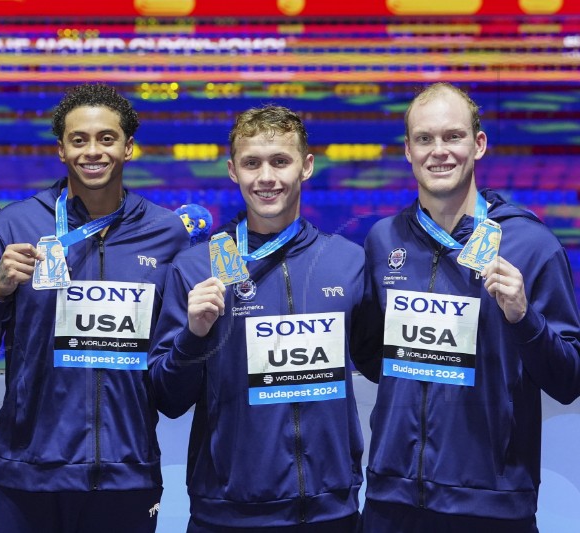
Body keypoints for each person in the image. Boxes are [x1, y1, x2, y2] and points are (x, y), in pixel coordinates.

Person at [0, 83, 189, 533]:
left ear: (129, 147)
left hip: (127, 474)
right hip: (25, 474)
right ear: (61, 149)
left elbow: (168, 370)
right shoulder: (14, 225)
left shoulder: (166, 233)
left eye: (106, 138)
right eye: (78, 140)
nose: (92, 151)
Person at [358, 82, 580, 532]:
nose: (438, 151)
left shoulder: (531, 245)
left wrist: (523, 318)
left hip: (491, 505)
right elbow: (373, 358)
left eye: (452, 136)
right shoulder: (384, 241)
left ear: (478, 144)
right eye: (424, 139)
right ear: (407, 150)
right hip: (392, 499)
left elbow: (569, 380)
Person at [149, 104, 374, 532]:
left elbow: (382, 366)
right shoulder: (197, 268)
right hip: (227, 513)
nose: (266, 178)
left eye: (280, 161)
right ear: (233, 170)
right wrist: (193, 336)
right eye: (252, 163)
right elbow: (168, 398)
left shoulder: (347, 263)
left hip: (332, 511)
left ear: (306, 167)